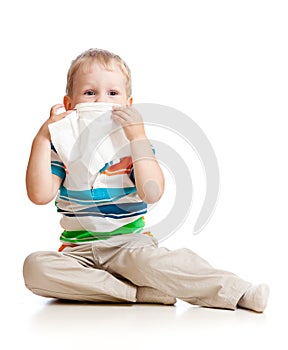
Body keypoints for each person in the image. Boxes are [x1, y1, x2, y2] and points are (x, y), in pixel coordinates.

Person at [23, 48, 269, 312]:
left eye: (112, 94)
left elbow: (152, 193)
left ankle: (238, 291)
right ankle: (138, 292)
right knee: (35, 267)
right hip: (78, 252)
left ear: (128, 105)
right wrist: (43, 138)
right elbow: (39, 195)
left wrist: (138, 138)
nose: (100, 101)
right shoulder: (63, 148)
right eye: (90, 93)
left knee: (166, 265)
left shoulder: (130, 146)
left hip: (128, 246)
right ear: (70, 105)